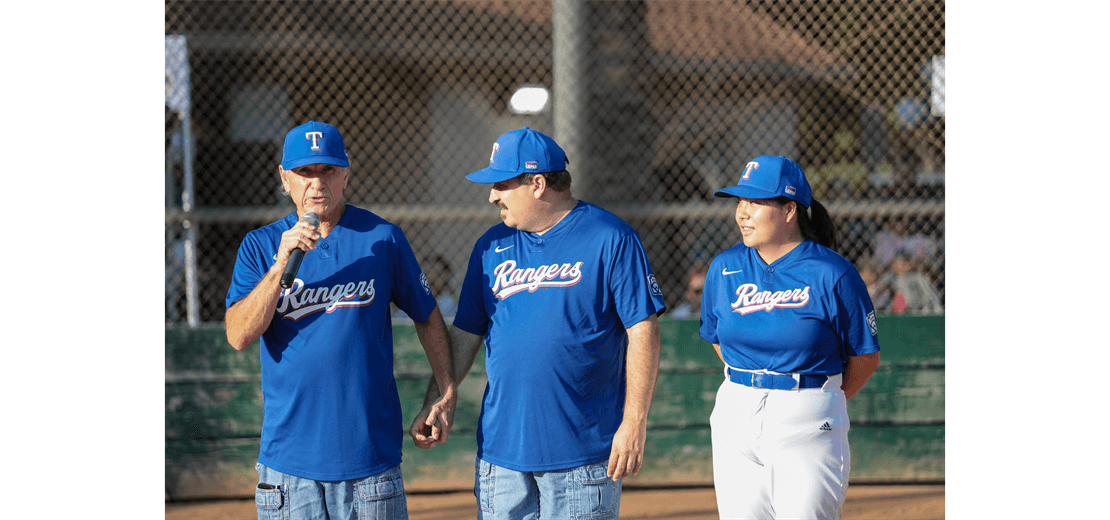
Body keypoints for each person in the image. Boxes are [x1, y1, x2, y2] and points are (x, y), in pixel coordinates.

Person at [409, 127, 667, 520]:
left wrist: (634, 421)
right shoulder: (490, 246)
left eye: (502, 184)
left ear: (538, 184)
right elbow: (465, 333)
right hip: (501, 455)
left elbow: (643, 331)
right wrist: (440, 395)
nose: (492, 196)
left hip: (581, 456)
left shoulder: (610, 237)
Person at [224, 121, 458, 520]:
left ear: (345, 174)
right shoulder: (260, 246)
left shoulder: (382, 238)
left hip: (369, 464)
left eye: (328, 170)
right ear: (285, 178)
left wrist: (444, 391)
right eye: (305, 172)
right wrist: (280, 267)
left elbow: (427, 315)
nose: (317, 183)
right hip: (289, 467)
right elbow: (238, 335)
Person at [700, 155, 881, 519]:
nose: (742, 213)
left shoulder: (832, 273)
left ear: (789, 210)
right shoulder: (724, 267)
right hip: (736, 409)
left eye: (755, 203)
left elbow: (865, 356)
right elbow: (718, 338)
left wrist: (822, 396)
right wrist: (754, 380)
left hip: (807, 414)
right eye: (739, 202)